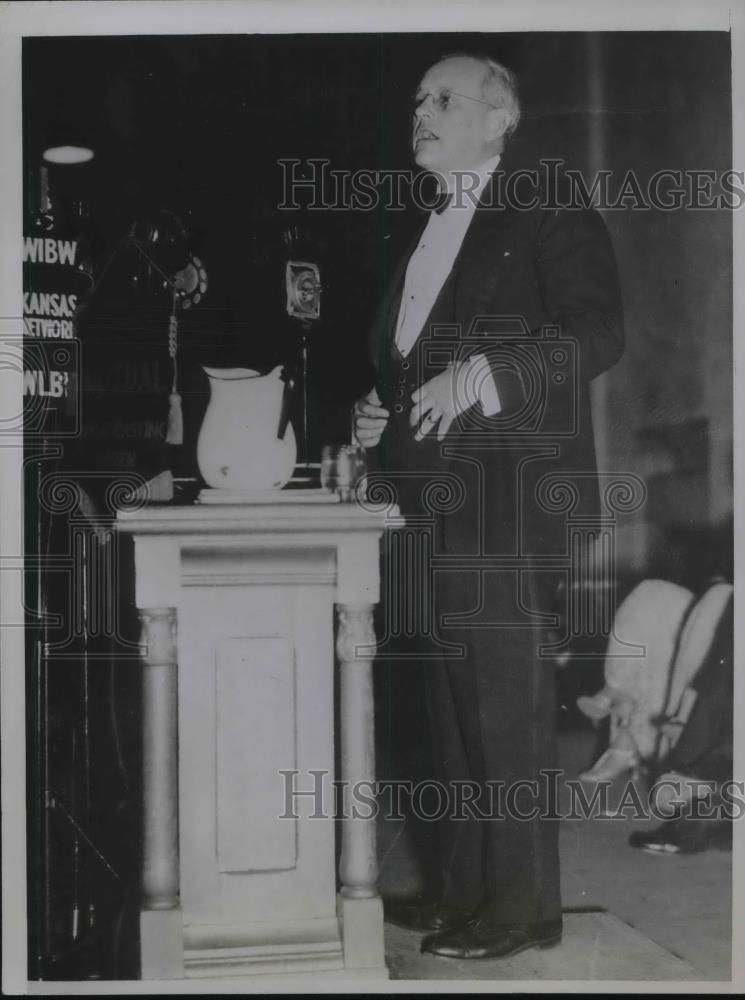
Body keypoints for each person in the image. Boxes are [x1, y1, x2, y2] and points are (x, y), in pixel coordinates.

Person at [353, 53, 624, 960]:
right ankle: (465, 891)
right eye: (416, 99)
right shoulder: (428, 228)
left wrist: (487, 374)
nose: (419, 113)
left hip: (507, 501)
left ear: (498, 119)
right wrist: (381, 409)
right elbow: (414, 364)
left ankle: (521, 909)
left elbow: (596, 330)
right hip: (422, 505)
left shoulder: (545, 203)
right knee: (446, 710)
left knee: (503, 714)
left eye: (442, 99)